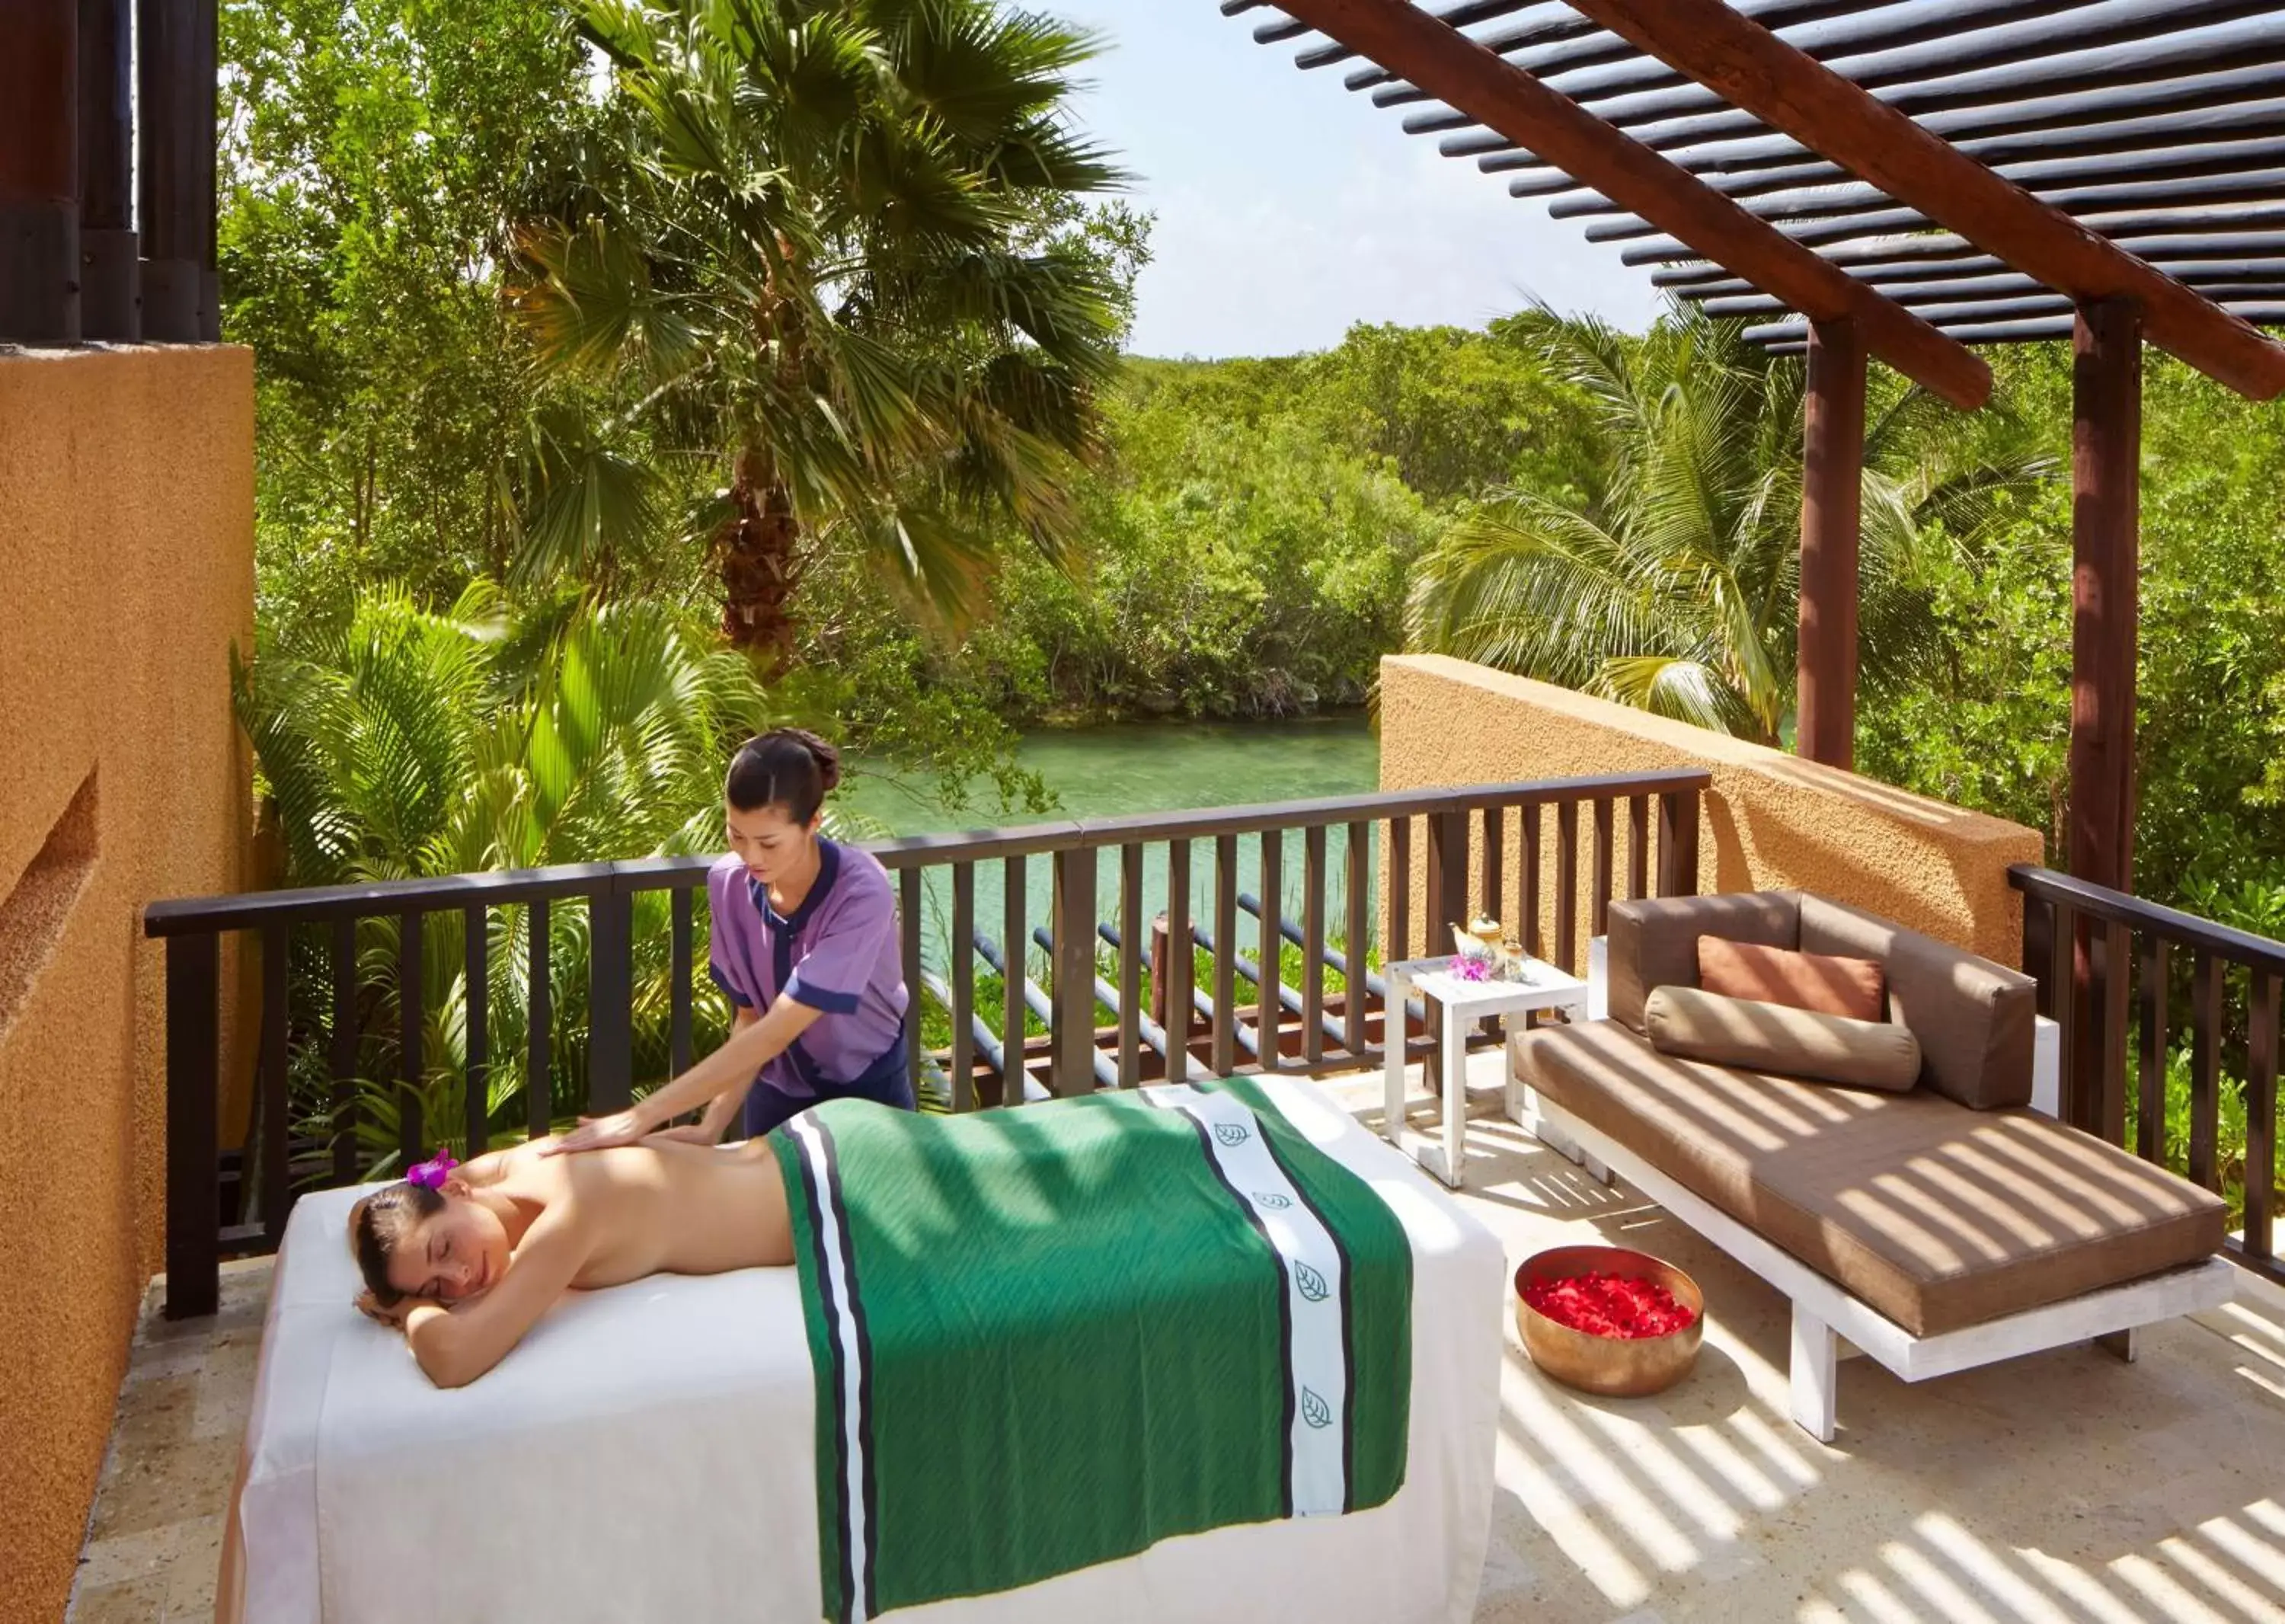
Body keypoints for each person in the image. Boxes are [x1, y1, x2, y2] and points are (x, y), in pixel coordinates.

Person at [550, 727, 912, 1156]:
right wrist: (712, 1125)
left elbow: (779, 1028)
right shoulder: (729, 883)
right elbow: (751, 1018)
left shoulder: (861, 890)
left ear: (814, 822)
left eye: (768, 842)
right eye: (736, 835)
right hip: (776, 1095)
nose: (751, 857)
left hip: (868, 1090)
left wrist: (639, 1116)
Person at [347, 1136, 794, 1388]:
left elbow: (454, 1360)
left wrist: (407, 1308)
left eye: (443, 1249)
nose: (461, 1278)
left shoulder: (568, 1216)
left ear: (455, 1192)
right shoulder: (520, 1165)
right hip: (797, 1149)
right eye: (435, 1289)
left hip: (833, 1191)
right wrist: (409, 1276)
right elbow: (360, 1215)